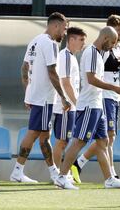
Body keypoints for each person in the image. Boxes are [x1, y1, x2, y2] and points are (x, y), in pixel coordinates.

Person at [54, 26, 120, 190]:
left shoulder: (98, 53)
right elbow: (91, 79)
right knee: (78, 142)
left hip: (97, 105)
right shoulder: (90, 52)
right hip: (89, 105)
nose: (112, 46)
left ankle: (109, 179)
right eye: (111, 43)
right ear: (104, 39)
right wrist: (115, 88)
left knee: (103, 142)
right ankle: (61, 177)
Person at [71, 15, 120, 183]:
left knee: (108, 138)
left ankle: (79, 164)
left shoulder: (119, 46)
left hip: (115, 97)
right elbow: (93, 75)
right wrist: (112, 88)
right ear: (110, 31)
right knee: (107, 137)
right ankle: (109, 174)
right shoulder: (102, 50)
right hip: (104, 95)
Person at [10, 12, 70, 183]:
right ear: (55, 26)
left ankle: (54, 173)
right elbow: (52, 72)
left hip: (37, 97)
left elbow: (24, 68)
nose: (64, 33)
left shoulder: (35, 40)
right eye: (64, 29)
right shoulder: (50, 43)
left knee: (44, 135)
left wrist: (27, 94)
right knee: (35, 133)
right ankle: (17, 171)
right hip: (44, 98)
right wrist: (63, 97)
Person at [52, 27, 86, 170]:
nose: (84, 43)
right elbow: (65, 83)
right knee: (62, 141)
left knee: (64, 140)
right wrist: (78, 104)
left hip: (70, 106)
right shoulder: (65, 56)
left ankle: (59, 173)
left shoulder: (71, 57)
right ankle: (58, 173)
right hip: (65, 107)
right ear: (71, 40)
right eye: (81, 40)